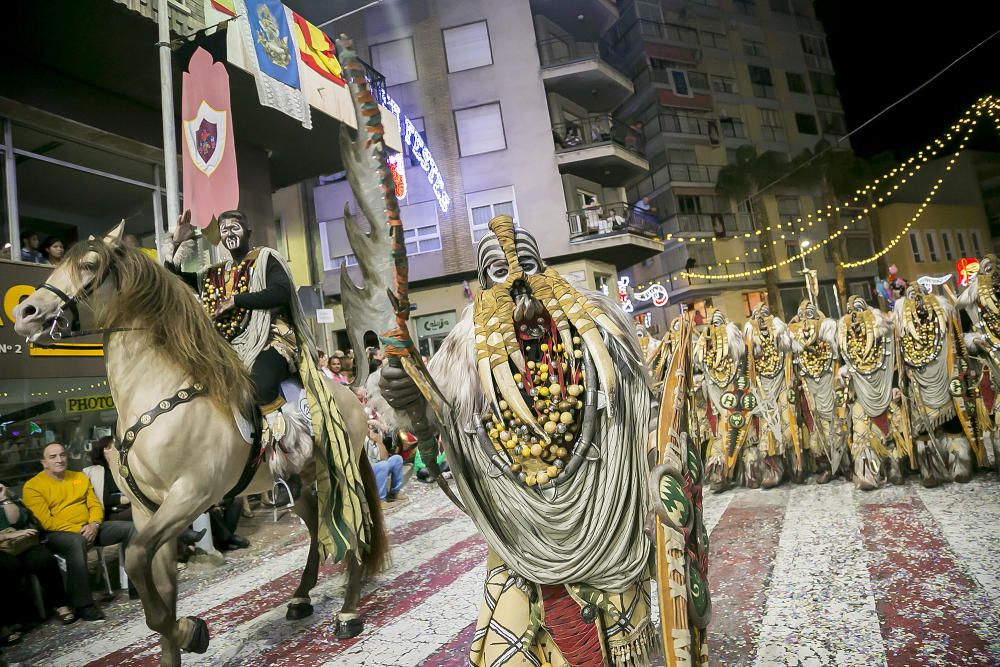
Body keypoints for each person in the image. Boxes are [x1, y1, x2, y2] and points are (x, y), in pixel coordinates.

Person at [21, 443, 136, 621]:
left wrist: (94, 525)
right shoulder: (32, 486)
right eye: (53, 457)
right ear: (44, 462)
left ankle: (137, 584)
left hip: (91, 527)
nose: (59, 460)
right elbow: (46, 521)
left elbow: (95, 505)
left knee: (131, 529)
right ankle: (84, 605)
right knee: (76, 541)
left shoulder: (79, 477)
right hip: (57, 534)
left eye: (62, 455)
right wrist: (79, 530)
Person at [0, 482, 76, 641]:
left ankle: (61, 605)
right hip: (2, 548)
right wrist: (6, 536)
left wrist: (4, 500)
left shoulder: (9, 497)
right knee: (8, 568)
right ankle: (5, 624)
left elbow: (16, 522)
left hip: (22, 544)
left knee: (44, 559)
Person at [85, 437, 132, 522]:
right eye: (108, 448)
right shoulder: (95, 472)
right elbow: (105, 499)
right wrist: (128, 499)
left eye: (116, 447)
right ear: (101, 452)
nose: (113, 450)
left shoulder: (124, 470)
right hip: (111, 513)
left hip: (129, 507)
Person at [364, 420, 405, 502]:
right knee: (383, 465)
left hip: (378, 465)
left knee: (397, 459)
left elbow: (385, 457)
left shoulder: (375, 437)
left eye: (371, 427)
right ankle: (380, 500)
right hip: (365, 470)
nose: (370, 429)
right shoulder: (361, 438)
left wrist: (379, 442)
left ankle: (395, 492)